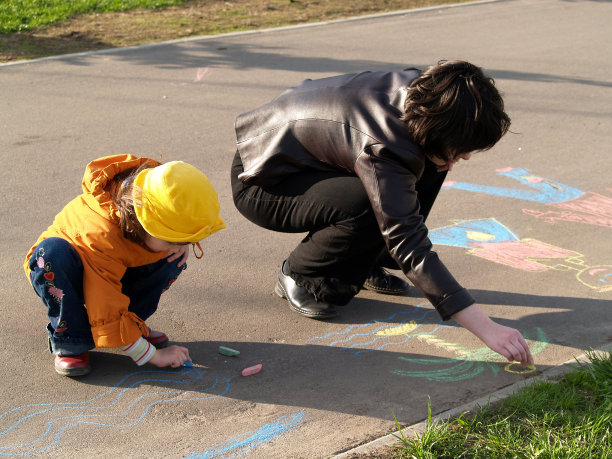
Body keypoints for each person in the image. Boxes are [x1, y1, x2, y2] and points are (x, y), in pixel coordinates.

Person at [231, 60, 533, 366]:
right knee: (367, 202)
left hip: (314, 159)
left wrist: (449, 152)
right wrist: (487, 328)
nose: (467, 155)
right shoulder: (386, 145)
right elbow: (408, 241)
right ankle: (303, 275)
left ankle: (368, 258)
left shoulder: (430, 94)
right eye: (464, 148)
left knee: (435, 158)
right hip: (264, 179)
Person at [25, 154, 225, 376]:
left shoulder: (149, 198)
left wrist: (180, 241)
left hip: (114, 269)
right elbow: (106, 303)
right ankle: (72, 338)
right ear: (145, 224)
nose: (178, 245)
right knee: (52, 255)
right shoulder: (102, 234)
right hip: (72, 273)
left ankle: (130, 327)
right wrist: (153, 355)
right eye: (173, 239)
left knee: (172, 258)